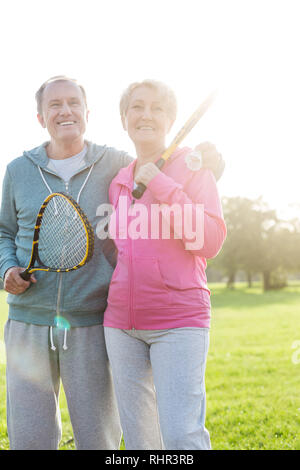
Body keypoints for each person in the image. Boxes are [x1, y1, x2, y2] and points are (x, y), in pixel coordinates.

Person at [0, 76, 225, 450]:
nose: (65, 110)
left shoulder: (117, 165)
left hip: (96, 321)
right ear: (40, 116)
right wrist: (6, 267)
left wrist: (210, 160)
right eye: (54, 104)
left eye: (73, 102)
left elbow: (177, 174)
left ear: (88, 113)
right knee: (33, 441)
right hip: (43, 320)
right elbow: (3, 232)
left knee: (114, 441)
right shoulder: (24, 171)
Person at [103, 79, 226, 450]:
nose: (147, 115)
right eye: (137, 107)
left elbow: (209, 241)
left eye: (158, 108)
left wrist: (161, 184)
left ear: (171, 119)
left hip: (179, 322)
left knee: (181, 437)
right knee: (142, 444)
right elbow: (120, 249)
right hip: (121, 327)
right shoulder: (119, 182)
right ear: (124, 118)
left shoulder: (194, 169)